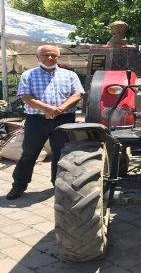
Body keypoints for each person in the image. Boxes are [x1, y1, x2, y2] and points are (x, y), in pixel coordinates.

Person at [6, 45, 85, 200]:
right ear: (38, 57)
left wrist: (60, 109)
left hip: (64, 119)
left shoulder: (69, 75)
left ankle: (59, 184)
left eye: (53, 56)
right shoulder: (28, 75)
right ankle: (18, 186)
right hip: (36, 120)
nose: (49, 58)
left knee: (61, 154)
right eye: (45, 55)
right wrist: (48, 109)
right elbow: (25, 96)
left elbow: (77, 94)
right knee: (29, 153)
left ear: (58, 57)